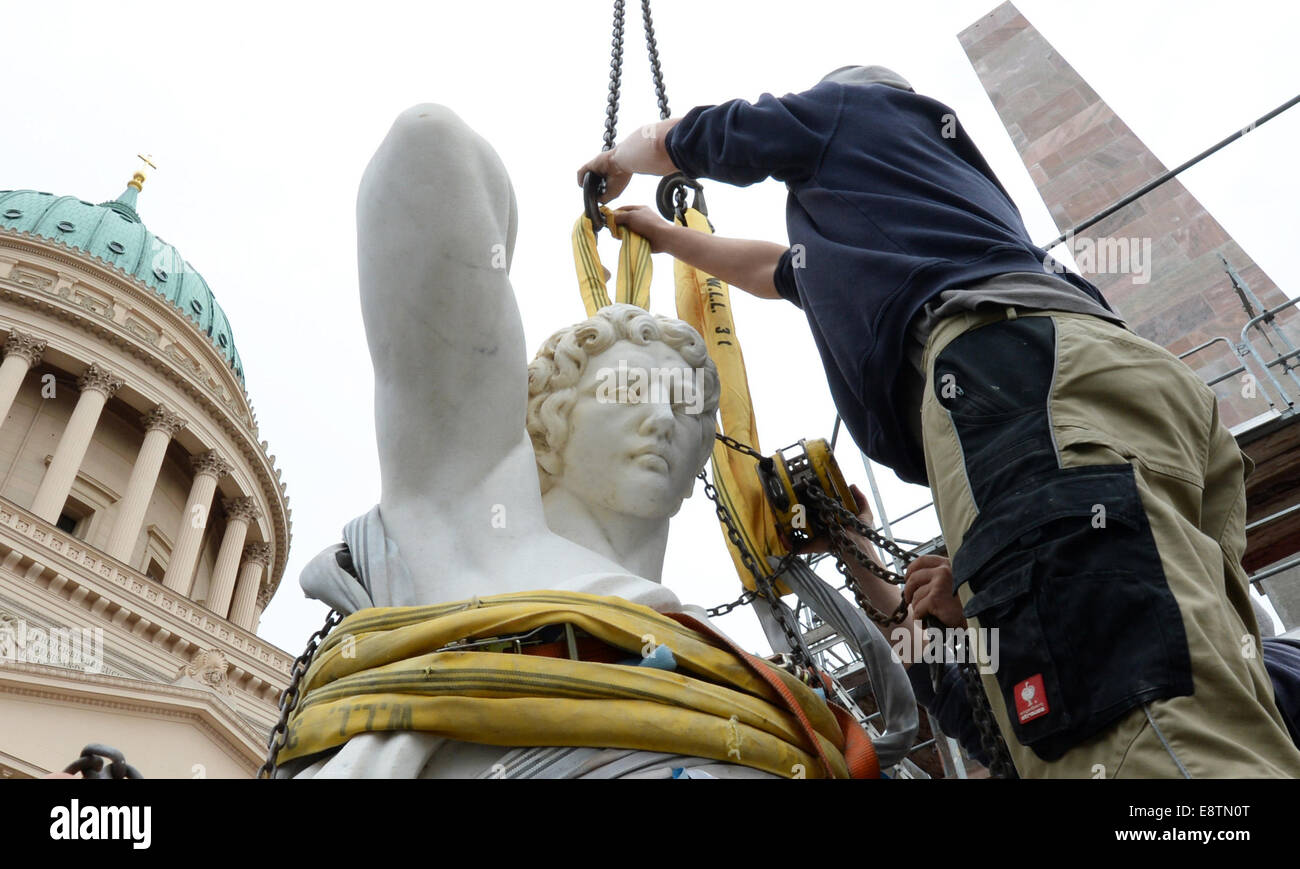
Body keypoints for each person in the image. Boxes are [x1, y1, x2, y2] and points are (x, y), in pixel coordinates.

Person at [577, 65, 1300, 777]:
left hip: (1013, 381)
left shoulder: (851, 114)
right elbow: (777, 271)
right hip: (1126, 390)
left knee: (1128, 715)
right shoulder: (923, 206)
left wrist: (623, 159)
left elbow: (707, 134)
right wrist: (669, 238)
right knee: (1207, 671)